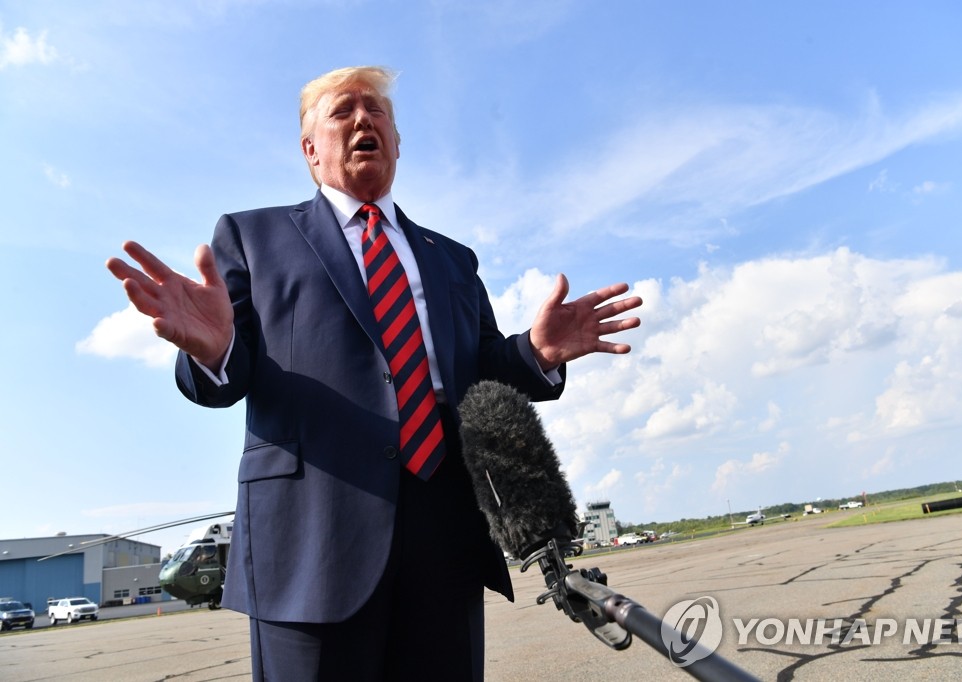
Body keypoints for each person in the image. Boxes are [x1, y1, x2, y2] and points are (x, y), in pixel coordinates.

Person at [107, 66, 642, 681]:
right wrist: (216, 350)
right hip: (313, 537)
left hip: (444, 534)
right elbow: (229, 375)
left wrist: (537, 352)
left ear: (397, 142)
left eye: (377, 110)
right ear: (310, 150)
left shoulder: (452, 259)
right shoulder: (252, 237)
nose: (364, 119)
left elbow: (480, 372)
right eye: (343, 111)